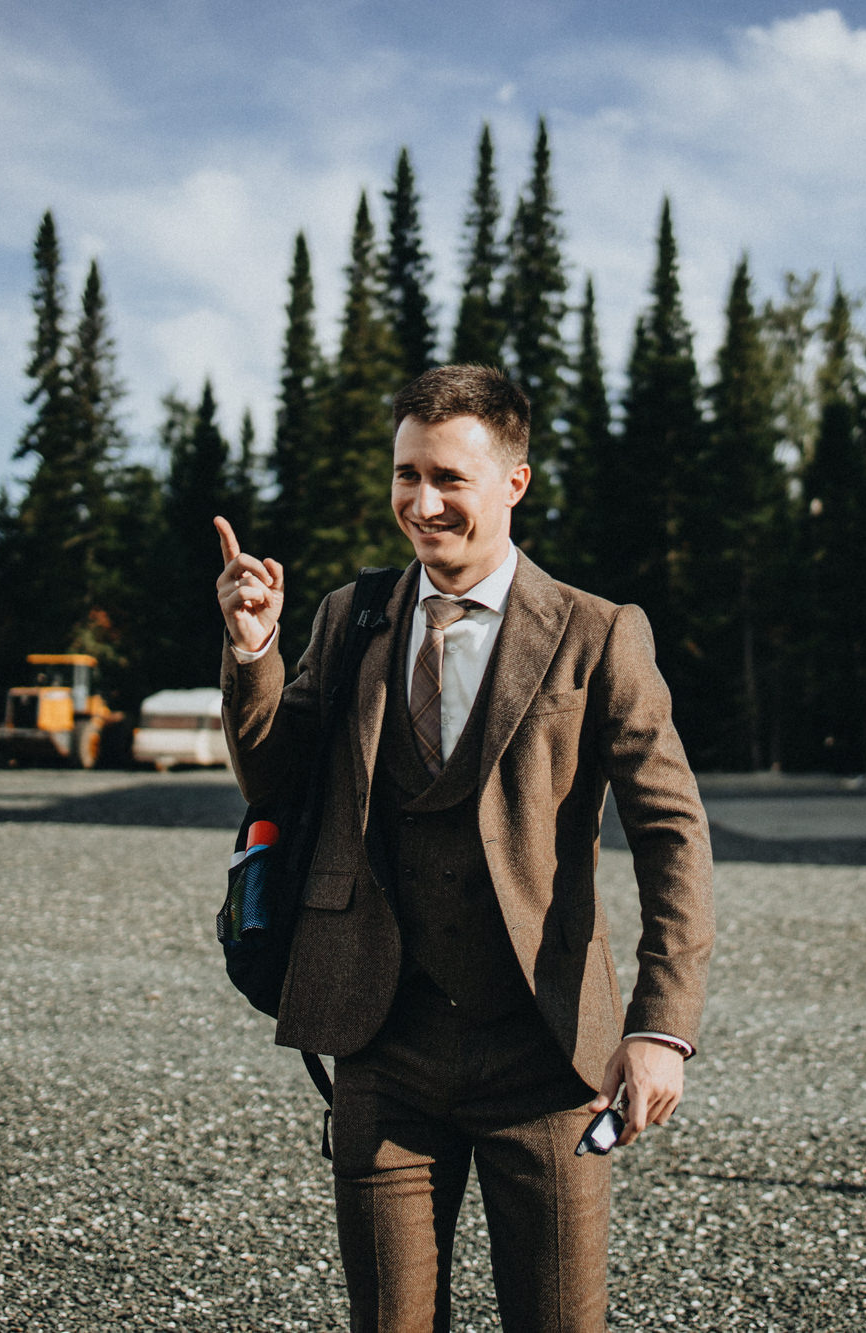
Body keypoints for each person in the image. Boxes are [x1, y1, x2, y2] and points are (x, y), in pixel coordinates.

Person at [214, 364, 713, 1332]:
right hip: (381, 1049)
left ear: (512, 484)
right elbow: (275, 780)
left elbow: (671, 830)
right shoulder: (348, 618)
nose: (422, 502)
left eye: (448, 477)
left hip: (546, 1058)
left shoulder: (597, 634)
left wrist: (659, 1024)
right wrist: (251, 651)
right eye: (406, 475)